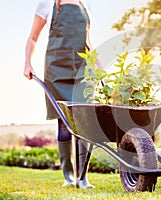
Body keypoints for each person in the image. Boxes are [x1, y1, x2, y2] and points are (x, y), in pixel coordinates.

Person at [24, 0, 97, 189]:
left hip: (83, 70)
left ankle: (83, 178)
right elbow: (33, 38)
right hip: (57, 69)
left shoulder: (85, 5)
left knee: (85, 121)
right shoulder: (47, 4)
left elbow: (88, 41)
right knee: (64, 122)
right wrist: (27, 63)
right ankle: (69, 176)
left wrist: (97, 67)